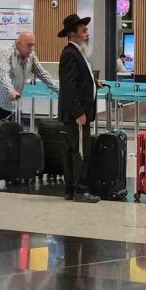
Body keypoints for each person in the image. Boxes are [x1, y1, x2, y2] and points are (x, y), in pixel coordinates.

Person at [57, 14, 101, 203]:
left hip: (77, 113)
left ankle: (70, 189)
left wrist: (94, 83)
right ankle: (80, 190)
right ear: (72, 33)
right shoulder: (70, 54)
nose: (87, 33)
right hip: (77, 114)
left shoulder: (77, 53)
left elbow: (79, 80)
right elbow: (68, 86)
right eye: (83, 30)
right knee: (81, 151)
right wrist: (78, 112)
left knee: (72, 150)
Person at [0, 31, 59, 122]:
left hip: (15, 103)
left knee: (16, 129)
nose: (31, 48)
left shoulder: (31, 55)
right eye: (29, 45)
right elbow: (3, 73)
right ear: (19, 43)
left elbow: (42, 73)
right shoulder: (6, 52)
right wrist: (11, 90)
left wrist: (58, 89)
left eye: (32, 45)